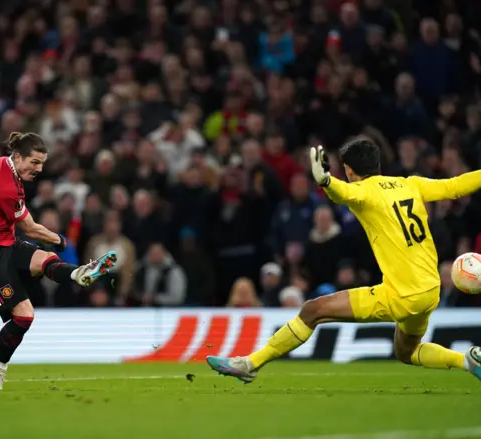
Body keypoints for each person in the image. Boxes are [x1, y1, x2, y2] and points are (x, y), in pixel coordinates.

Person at [206, 139, 481, 383]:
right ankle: (469, 360)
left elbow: (344, 193)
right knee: (406, 352)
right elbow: (456, 186)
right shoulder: (410, 184)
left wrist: (325, 181)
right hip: (429, 290)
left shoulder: (365, 191)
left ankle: (250, 364)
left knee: (313, 310)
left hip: (401, 295)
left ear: (350, 171)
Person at [0, 132, 117, 390]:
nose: (39, 169)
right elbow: (31, 228)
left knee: (44, 259)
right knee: (24, 316)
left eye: (42, 163)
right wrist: (59, 238)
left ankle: (79, 274)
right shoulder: (7, 187)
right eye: (34, 162)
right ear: (18, 156)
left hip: (4, 240)